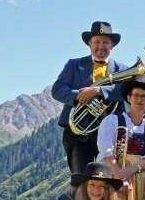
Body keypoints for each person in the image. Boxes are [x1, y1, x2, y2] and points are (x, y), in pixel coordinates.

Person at [52, 21, 125, 174]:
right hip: (78, 133)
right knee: (80, 178)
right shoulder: (74, 64)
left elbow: (126, 91)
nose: (101, 46)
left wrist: (99, 91)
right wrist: (80, 96)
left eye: (105, 42)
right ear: (89, 44)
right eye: (96, 41)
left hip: (111, 133)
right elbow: (57, 90)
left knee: (109, 178)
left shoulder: (123, 70)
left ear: (112, 45)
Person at [96, 74, 145, 200]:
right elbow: (106, 151)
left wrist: (128, 172)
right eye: (136, 95)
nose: (139, 100)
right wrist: (118, 175)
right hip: (114, 173)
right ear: (129, 98)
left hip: (141, 177)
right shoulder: (112, 121)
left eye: (143, 96)